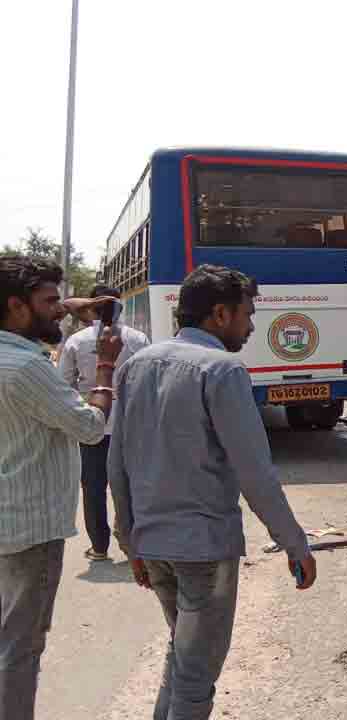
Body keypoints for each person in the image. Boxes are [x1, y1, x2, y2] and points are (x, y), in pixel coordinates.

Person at [109, 265, 316, 720]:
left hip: (154, 545)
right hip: (202, 551)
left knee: (183, 657)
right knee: (195, 674)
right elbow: (255, 473)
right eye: (247, 313)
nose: (251, 325)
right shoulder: (223, 370)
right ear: (220, 314)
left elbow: (116, 464)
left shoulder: (136, 366)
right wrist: (295, 544)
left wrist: (130, 541)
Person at [0, 256, 121, 720]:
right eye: (50, 301)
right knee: (21, 647)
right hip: (30, 529)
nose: (60, 310)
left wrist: (67, 306)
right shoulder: (26, 368)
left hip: (10, 518)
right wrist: (104, 368)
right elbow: (89, 428)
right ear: (16, 306)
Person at [57, 283, 149, 562]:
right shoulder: (138, 339)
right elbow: (147, 383)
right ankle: (133, 545)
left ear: (92, 307)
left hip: (93, 423)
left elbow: (64, 384)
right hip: (129, 425)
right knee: (131, 486)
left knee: (93, 488)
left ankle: (99, 547)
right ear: (120, 305)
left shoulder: (76, 341)